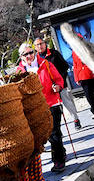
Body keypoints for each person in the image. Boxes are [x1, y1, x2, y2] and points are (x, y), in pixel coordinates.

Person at [16, 42, 67, 172]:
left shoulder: (46, 64)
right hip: (34, 108)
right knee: (44, 135)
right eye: (26, 54)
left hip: (51, 103)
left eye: (31, 52)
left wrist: (58, 86)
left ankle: (59, 161)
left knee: (54, 132)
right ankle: (61, 151)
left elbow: (59, 79)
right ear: (21, 57)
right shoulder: (19, 72)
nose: (29, 56)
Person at [33, 37, 81, 129]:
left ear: (45, 44)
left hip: (60, 84)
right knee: (53, 110)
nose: (40, 46)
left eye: (41, 43)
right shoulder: (36, 60)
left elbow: (65, 66)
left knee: (68, 103)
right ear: (35, 47)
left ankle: (76, 119)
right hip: (47, 89)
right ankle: (57, 128)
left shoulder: (54, 53)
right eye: (37, 45)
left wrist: (60, 81)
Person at [71, 49, 94, 119]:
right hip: (83, 76)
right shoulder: (74, 51)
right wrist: (76, 78)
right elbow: (75, 64)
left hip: (92, 74)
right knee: (89, 96)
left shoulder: (85, 46)